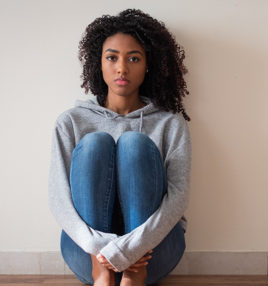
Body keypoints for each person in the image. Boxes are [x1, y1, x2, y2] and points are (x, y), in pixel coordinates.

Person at [48, 9, 191, 286]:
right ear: (98, 63)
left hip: (153, 253)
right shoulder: (70, 121)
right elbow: (58, 198)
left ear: (149, 64)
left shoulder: (170, 123)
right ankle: (101, 274)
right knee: (94, 144)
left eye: (133, 58)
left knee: (134, 144)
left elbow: (178, 198)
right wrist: (99, 247)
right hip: (88, 252)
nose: (122, 68)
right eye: (112, 57)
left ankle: (134, 275)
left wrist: (133, 248)